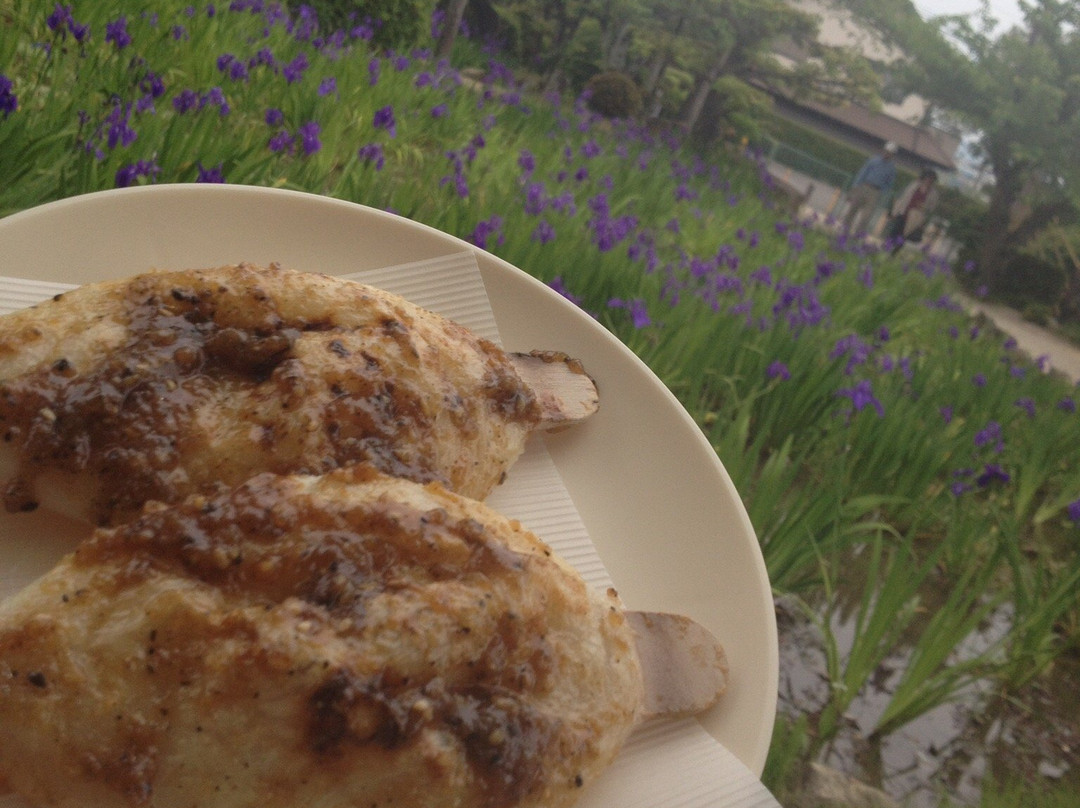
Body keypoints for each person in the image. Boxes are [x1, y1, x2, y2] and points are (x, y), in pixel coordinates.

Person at [841, 141, 898, 237]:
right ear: (883, 150)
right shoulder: (873, 161)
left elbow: (889, 184)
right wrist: (855, 186)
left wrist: (881, 191)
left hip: (875, 192)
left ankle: (857, 237)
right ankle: (844, 233)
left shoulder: (891, 168)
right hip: (864, 186)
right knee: (852, 211)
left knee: (866, 217)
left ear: (893, 155)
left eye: (890, 153)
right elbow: (862, 173)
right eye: (886, 151)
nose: (887, 154)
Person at [884, 168, 940, 255]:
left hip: (915, 218)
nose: (929, 180)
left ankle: (893, 254)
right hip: (904, 212)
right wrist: (895, 211)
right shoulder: (914, 185)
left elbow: (931, 209)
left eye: (932, 179)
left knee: (903, 237)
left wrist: (923, 208)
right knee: (894, 232)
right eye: (928, 178)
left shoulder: (933, 194)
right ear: (924, 177)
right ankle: (884, 250)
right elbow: (903, 198)